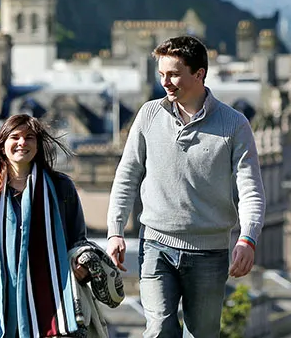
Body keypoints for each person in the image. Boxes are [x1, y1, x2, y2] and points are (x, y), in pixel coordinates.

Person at [105, 35, 266, 338]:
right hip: (155, 245)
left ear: (199, 73)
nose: (165, 82)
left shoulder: (234, 125)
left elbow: (251, 189)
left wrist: (248, 238)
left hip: (209, 252)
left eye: (174, 74)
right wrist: (115, 230)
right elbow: (126, 175)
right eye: (162, 74)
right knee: (158, 330)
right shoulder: (149, 115)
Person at [0, 114, 92, 338]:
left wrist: (81, 263)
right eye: (15, 137)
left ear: (38, 145)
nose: (22, 143)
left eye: (29, 137)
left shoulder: (62, 188)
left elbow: (78, 239)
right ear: (2, 145)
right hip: (4, 313)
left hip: (56, 310)